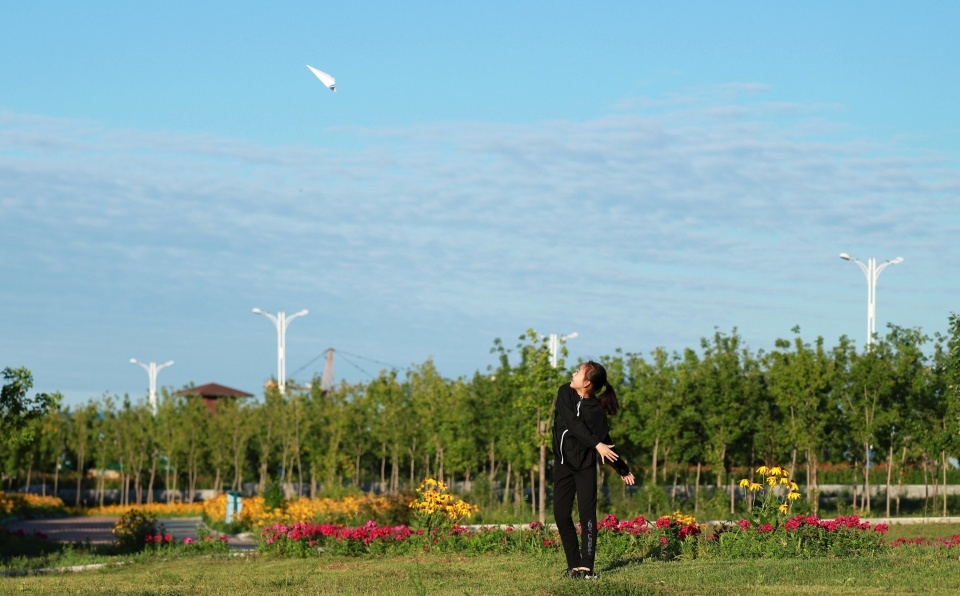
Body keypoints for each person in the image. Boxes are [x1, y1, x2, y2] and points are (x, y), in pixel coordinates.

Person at [551, 360, 635, 579]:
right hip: (563, 465)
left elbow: (605, 439)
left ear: (586, 382)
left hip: (584, 466)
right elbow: (571, 422)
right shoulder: (564, 393)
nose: (573, 373)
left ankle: (586, 568)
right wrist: (596, 445)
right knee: (560, 514)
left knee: (587, 516)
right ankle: (574, 566)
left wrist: (622, 468)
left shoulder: (597, 410)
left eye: (578, 372)